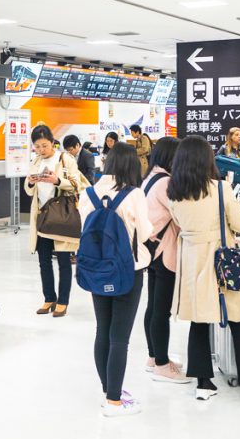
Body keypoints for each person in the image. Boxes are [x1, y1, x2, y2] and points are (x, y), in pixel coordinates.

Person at [167, 136, 240, 403]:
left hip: (192, 260)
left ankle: (203, 383)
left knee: (199, 321)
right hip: (222, 262)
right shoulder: (220, 188)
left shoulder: (174, 193)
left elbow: (178, 224)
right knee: (239, 321)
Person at [78, 142, 153, 416]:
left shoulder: (87, 193)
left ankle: (109, 389)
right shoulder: (134, 194)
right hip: (128, 271)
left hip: (96, 268)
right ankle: (114, 402)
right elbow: (144, 233)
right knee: (120, 337)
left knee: (103, 330)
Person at [141, 137, 190, 384]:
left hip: (151, 249)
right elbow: (180, 216)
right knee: (161, 309)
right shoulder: (167, 183)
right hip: (165, 251)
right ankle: (161, 364)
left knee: (153, 306)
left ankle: (154, 356)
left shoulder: (150, 178)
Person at [25, 124, 84, 318]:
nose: (41, 150)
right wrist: (31, 182)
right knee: (43, 261)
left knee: (64, 261)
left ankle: (63, 301)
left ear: (52, 142)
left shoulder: (65, 159)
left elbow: (77, 186)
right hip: (42, 216)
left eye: (44, 145)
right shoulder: (35, 161)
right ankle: (49, 298)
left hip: (61, 217)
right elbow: (29, 190)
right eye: (37, 146)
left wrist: (57, 181)